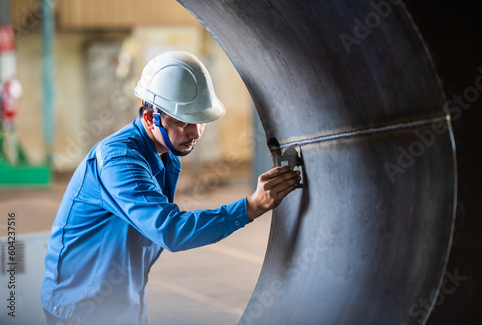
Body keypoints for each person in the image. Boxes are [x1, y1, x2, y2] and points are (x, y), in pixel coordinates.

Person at [40, 51, 300, 325]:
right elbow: (170, 230)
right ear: (152, 118)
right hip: (81, 310)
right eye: (184, 122)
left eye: (200, 120)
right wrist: (252, 206)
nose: (196, 132)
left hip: (122, 305)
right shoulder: (120, 162)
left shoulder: (166, 155)